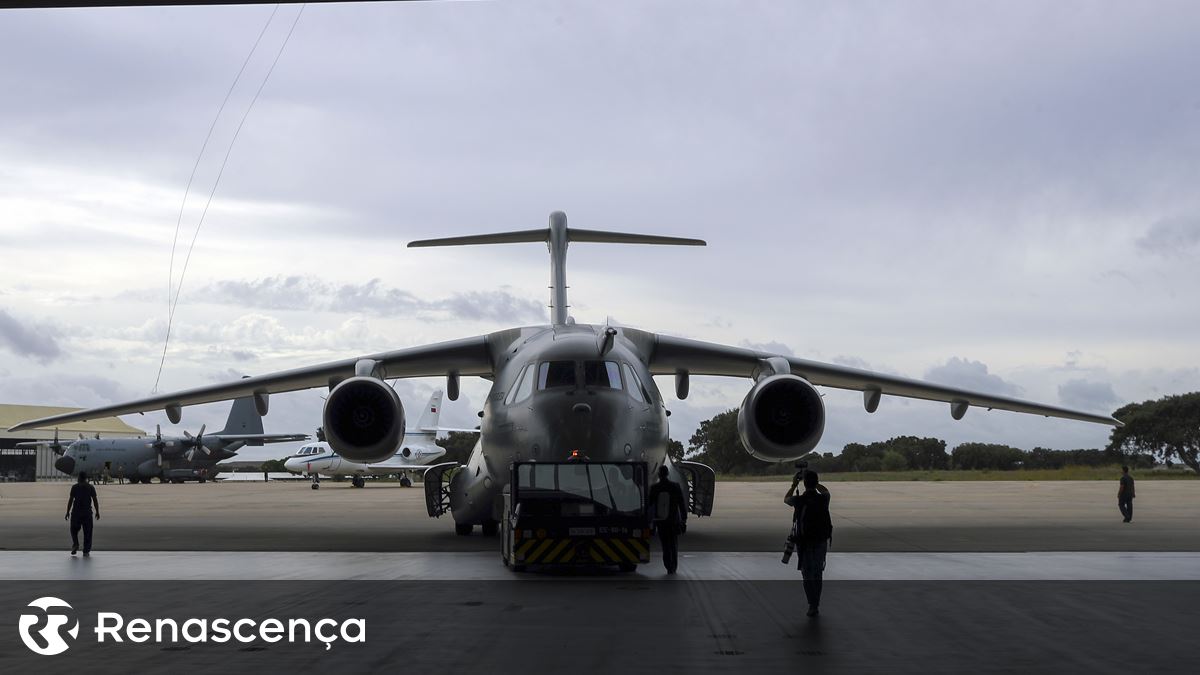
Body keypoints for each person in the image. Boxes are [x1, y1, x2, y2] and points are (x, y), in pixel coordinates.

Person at [785, 470, 832, 617]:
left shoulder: (799, 500)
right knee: (817, 573)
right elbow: (826, 491)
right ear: (816, 482)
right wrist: (815, 482)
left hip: (804, 543)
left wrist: (794, 484)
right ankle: (815, 604)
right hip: (820, 541)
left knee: (807, 574)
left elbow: (786, 499)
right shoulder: (823, 499)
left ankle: (811, 604)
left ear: (804, 484)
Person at [647, 465, 687, 574]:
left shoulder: (655, 488)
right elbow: (681, 503)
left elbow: (649, 504)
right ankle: (673, 566)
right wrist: (684, 518)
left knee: (665, 544)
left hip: (661, 522)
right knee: (673, 544)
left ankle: (668, 564)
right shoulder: (675, 486)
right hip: (673, 521)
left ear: (659, 475)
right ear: (667, 474)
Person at [65, 472, 100, 557]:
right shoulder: (90, 487)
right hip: (87, 513)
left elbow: (70, 500)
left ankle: (76, 544)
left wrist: (67, 512)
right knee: (88, 532)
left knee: (73, 530)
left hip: (76, 513)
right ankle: (86, 550)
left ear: (79, 478)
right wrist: (97, 511)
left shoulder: (75, 487)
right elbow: (95, 500)